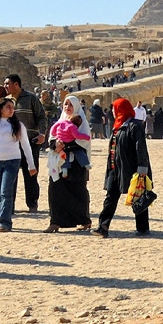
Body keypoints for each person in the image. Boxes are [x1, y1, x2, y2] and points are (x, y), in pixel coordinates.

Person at [97, 97, 151, 237]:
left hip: (132, 168)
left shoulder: (135, 125)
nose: (113, 112)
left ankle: (142, 228)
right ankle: (103, 226)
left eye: (115, 109)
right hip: (115, 168)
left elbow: (140, 148)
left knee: (138, 196)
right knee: (110, 196)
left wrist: (142, 169)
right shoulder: (117, 126)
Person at [0, 96, 37, 232]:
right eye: (8, 107)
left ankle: (4, 222)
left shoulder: (18, 125)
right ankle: (4, 216)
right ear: (0, 109)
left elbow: (26, 145)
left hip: (12, 161)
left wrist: (31, 164)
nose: (12, 110)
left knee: (6, 191)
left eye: (13, 107)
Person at [46, 95, 93, 231]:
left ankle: (84, 221)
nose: (67, 107)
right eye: (65, 104)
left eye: (70, 105)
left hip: (76, 162)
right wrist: (56, 145)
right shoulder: (60, 121)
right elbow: (52, 137)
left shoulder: (81, 122)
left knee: (78, 191)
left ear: (76, 107)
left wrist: (66, 144)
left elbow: (84, 141)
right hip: (59, 161)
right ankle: (55, 222)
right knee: (55, 189)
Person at [4, 75, 47, 214]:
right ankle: (10, 206)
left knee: (31, 173)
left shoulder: (31, 98)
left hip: (31, 142)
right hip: (12, 144)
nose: (5, 86)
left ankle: (32, 204)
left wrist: (42, 134)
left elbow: (41, 117)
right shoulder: (6, 101)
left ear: (16, 84)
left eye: (7, 84)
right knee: (11, 176)